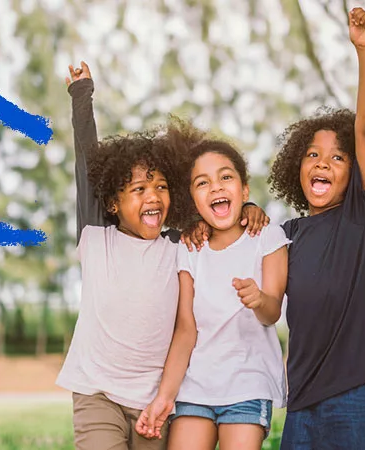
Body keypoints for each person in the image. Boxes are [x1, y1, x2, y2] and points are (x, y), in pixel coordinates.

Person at [57, 62, 270, 450]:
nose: (152, 195)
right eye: (138, 189)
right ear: (113, 202)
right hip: (97, 392)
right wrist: (81, 94)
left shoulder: (180, 245)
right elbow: (86, 161)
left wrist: (248, 208)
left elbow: (217, 208)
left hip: (155, 400)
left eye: (160, 186)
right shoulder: (96, 235)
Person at [267, 8, 365, 449]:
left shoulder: (358, 218)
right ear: (296, 167)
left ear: (353, 174)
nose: (323, 161)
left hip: (354, 394)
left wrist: (364, 51)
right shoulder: (285, 234)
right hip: (301, 398)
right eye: (312, 155)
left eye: (337, 157)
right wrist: (249, 211)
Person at [135, 119, 288, 450]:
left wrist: (259, 299)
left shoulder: (267, 237)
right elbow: (186, 330)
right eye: (202, 183)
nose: (216, 187)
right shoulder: (189, 249)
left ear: (244, 190)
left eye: (226, 177)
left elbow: (272, 311)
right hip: (196, 387)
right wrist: (165, 397)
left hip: (249, 384)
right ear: (191, 199)